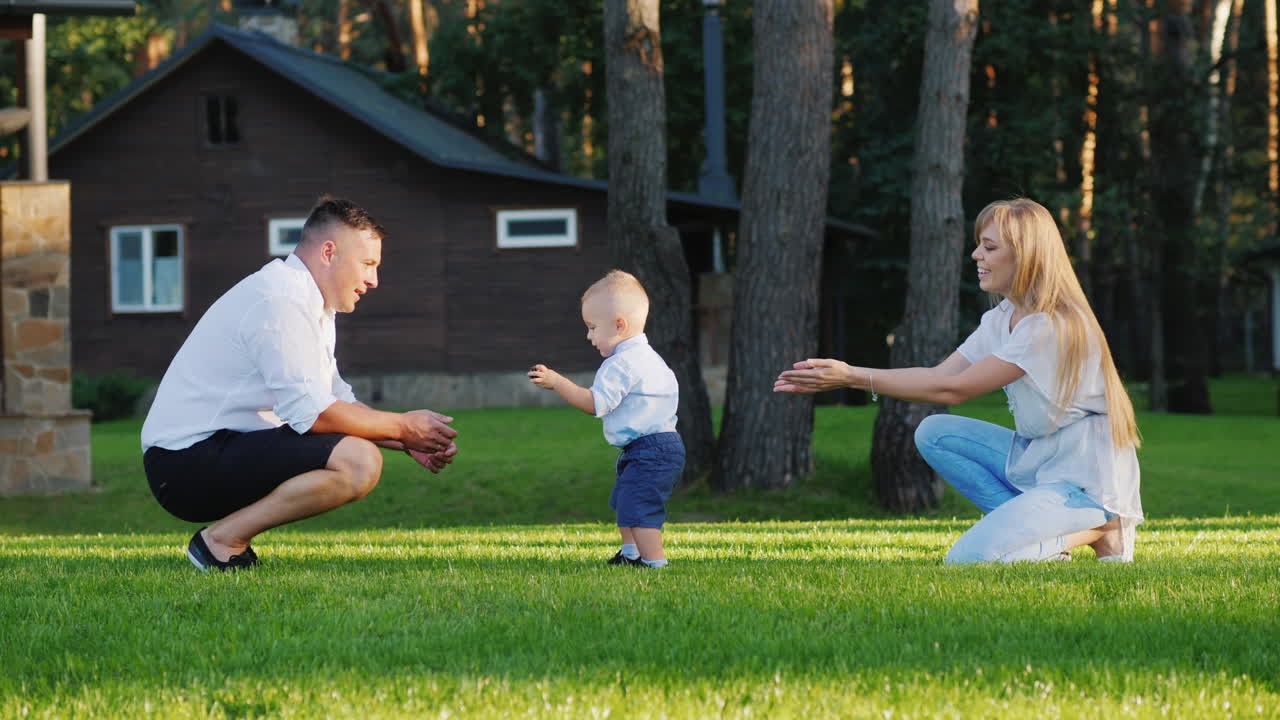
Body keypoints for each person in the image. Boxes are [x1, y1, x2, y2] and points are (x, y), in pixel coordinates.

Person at [775, 198, 1143, 563]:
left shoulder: (1048, 327)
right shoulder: (1002, 319)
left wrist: (851, 377)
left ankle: (1100, 528)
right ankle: (1047, 537)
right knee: (935, 432)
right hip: (1041, 460)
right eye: (979, 245)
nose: (975, 255)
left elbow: (954, 390)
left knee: (967, 561)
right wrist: (848, 374)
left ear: (1026, 255)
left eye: (989, 247)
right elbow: (940, 376)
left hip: (1085, 477)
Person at [141, 196, 459, 572]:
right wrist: (403, 426)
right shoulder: (280, 300)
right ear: (329, 252)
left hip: (216, 450)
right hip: (183, 464)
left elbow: (337, 402)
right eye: (368, 264)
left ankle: (224, 540)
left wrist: (405, 440)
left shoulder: (311, 303)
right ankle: (220, 542)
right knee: (358, 461)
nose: (374, 280)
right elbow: (313, 415)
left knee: (359, 454)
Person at [527, 270, 685, 568]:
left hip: (650, 449)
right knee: (626, 503)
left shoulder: (622, 363)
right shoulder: (649, 358)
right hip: (658, 446)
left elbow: (594, 404)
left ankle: (654, 564)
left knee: (639, 509)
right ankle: (630, 555)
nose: (589, 336)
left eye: (592, 327)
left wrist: (557, 383)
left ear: (619, 324)